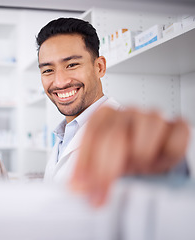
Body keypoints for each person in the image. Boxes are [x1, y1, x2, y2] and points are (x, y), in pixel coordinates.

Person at [36, 17, 191, 206]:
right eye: (48, 70)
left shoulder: (134, 134)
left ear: (99, 67)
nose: (59, 82)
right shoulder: (62, 136)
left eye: (72, 65)